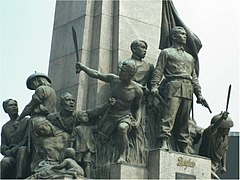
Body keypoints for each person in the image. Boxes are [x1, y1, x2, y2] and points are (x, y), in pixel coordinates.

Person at [150, 26, 207, 153]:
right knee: (169, 115)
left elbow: (194, 78)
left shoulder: (190, 57)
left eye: (185, 34)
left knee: (184, 120)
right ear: (174, 37)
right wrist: (154, 86)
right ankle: (163, 140)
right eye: (181, 34)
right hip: (173, 86)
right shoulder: (166, 52)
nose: (184, 36)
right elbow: (158, 70)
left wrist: (199, 94)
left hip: (187, 88)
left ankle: (183, 144)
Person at [76, 60, 143, 163]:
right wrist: (82, 68)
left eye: (123, 71)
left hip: (125, 115)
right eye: (120, 70)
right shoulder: (113, 80)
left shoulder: (137, 91)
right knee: (101, 138)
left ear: (130, 74)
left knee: (122, 128)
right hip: (111, 115)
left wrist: (138, 121)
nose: (120, 73)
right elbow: (97, 74)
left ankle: (122, 156)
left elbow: (138, 108)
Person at [16, 72, 57, 171]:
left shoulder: (41, 89)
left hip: (38, 120)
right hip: (48, 121)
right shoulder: (52, 91)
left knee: (37, 147)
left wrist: (19, 119)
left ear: (37, 81)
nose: (34, 88)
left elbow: (30, 106)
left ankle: (37, 169)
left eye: (32, 85)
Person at [199, 111, 233, 179]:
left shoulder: (226, 138)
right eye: (226, 128)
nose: (228, 130)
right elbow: (213, 128)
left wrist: (223, 166)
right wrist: (222, 119)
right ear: (220, 128)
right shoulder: (209, 134)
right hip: (204, 162)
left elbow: (223, 151)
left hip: (215, 166)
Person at [1, 99, 30, 178]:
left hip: (25, 152)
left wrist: (14, 149)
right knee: (5, 161)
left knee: (22, 150)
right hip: (12, 155)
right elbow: (3, 144)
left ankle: (19, 177)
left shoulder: (26, 121)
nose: (14, 107)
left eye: (15, 105)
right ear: (6, 110)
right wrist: (5, 150)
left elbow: (26, 140)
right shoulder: (5, 127)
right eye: (10, 105)